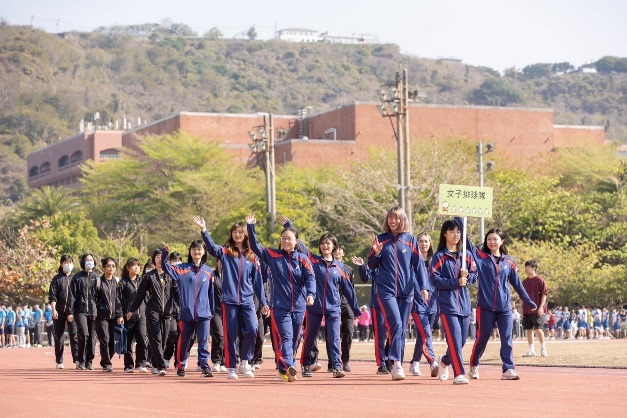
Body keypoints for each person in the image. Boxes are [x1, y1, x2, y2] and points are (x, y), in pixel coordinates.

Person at [193, 216, 269, 380]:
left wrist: (263, 302)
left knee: (253, 329)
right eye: (235, 232)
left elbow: (258, 282)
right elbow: (212, 248)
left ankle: (245, 362)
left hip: (248, 301)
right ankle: (231, 367)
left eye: (240, 232)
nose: (237, 234)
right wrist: (204, 230)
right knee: (231, 334)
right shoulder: (226, 252)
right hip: (229, 301)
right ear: (231, 234)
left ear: (245, 235)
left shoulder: (252, 257)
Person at [462, 220, 537, 381]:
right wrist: (461, 224)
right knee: (482, 338)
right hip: (485, 307)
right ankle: (474, 364)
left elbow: (516, 283)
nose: (492, 241)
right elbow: (467, 243)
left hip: (504, 308)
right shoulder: (480, 256)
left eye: (495, 239)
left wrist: (527, 300)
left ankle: (508, 369)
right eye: (489, 239)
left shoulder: (509, 261)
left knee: (507, 338)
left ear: (502, 241)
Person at [245, 211, 315, 383]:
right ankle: (290, 364)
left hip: (299, 306)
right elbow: (255, 246)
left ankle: (284, 369)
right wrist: (251, 227)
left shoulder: (303, 258)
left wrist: (311, 294)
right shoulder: (273, 255)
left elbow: (311, 278)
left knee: (296, 338)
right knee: (287, 337)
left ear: (296, 241)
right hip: (280, 306)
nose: (285, 240)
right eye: (283, 238)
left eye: (289, 238)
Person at [368, 207, 430, 381]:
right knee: (395, 323)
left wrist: (424, 287)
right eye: (390, 218)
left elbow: (418, 266)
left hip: (406, 291)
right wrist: (377, 253)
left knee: (401, 328)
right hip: (385, 290)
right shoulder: (380, 240)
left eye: (396, 218)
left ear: (402, 219)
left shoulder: (410, 240)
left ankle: (396, 362)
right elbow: (371, 265)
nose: (392, 221)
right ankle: (396, 365)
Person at [293, 229, 360, 379]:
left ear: (334, 246)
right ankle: (305, 364)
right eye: (322, 243)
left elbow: (348, 290)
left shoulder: (340, 267)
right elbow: (300, 245)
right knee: (310, 336)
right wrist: (289, 226)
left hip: (333, 308)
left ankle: (337, 366)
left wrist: (355, 309)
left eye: (328, 243)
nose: (325, 246)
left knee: (335, 337)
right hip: (314, 307)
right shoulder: (313, 260)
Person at [431, 218, 477, 385]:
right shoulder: (439, 256)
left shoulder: (467, 255)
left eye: (458, 232)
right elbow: (434, 279)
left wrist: (468, 276)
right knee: (455, 340)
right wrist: (455, 282)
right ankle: (459, 373)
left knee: (462, 340)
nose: (456, 235)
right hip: (447, 304)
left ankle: (444, 361)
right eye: (452, 231)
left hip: (464, 304)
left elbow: (474, 275)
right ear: (445, 233)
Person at [161, 241, 216, 378]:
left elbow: (211, 293)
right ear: (190, 251)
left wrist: (212, 310)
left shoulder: (208, 271)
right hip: (187, 313)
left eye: (199, 249)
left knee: (203, 341)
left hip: (204, 313)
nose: (196, 252)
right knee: (184, 341)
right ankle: (181, 365)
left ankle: (205, 366)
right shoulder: (181, 269)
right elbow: (166, 267)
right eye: (194, 249)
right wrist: (165, 254)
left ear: (204, 252)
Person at [129, 250, 179, 376]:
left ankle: (156, 364)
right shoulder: (149, 276)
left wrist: (183, 307)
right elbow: (139, 295)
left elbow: (177, 294)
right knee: (156, 337)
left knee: (164, 339)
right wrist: (131, 309)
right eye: (157, 256)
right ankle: (161, 366)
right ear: (154, 259)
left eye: (162, 257)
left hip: (168, 312)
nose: (160, 259)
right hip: (153, 311)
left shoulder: (171, 275)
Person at [409, 232, 439, 378]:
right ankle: (432, 361)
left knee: (423, 336)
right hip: (417, 303)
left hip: (432, 304)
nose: (423, 244)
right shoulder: (411, 261)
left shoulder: (435, 260)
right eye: (420, 241)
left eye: (426, 241)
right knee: (426, 333)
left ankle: (414, 363)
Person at [116, 257, 149, 373]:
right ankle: (128, 365)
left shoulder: (143, 280)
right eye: (134, 265)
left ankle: (141, 363)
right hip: (128, 316)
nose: (137, 268)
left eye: (138, 265)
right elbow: (118, 300)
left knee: (142, 338)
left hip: (142, 315)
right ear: (128, 268)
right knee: (128, 341)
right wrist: (120, 315)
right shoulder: (122, 283)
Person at [48, 255, 78, 368]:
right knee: (58, 336)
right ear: (61, 264)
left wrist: (72, 312)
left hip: (73, 312)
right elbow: (52, 296)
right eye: (65, 262)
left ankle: (77, 360)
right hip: (59, 311)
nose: (68, 264)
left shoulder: (76, 278)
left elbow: (78, 297)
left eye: (70, 262)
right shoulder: (56, 278)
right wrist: (54, 309)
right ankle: (59, 361)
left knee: (74, 335)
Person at [71, 253, 98, 370]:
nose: (89, 262)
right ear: (83, 262)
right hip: (80, 311)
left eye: (91, 260)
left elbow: (99, 296)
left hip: (93, 311)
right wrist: (70, 311)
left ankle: (89, 361)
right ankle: (80, 361)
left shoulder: (97, 277)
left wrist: (97, 310)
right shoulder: (77, 278)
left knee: (92, 337)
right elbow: (72, 295)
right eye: (87, 260)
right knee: (84, 335)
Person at [333, 244, 357, 372]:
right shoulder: (329, 266)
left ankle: (345, 360)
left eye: (340, 250)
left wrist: (354, 305)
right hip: (332, 301)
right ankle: (333, 361)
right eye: (335, 249)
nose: (338, 252)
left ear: (343, 253)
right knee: (332, 332)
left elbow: (351, 289)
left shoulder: (349, 269)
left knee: (349, 331)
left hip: (346, 303)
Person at [93, 257, 120, 372]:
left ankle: (105, 359)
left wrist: (120, 314)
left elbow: (120, 300)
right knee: (104, 338)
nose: (111, 268)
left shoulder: (117, 282)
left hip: (114, 315)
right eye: (109, 266)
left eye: (113, 266)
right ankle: (107, 364)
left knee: (114, 340)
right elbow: (93, 299)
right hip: (101, 315)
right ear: (104, 267)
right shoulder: (98, 282)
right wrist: (94, 312)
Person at [521, 260, 548, 357]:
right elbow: (522, 296)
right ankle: (531, 350)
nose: (526, 269)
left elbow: (544, 295)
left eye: (528, 267)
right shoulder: (524, 282)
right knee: (528, 330)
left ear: (533, 268)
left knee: (538, 329)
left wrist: (541, 308)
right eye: (526, 267)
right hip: (527, 310)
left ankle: (543, 348)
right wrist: (522, 308)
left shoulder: (540, 280)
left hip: (537, 310)